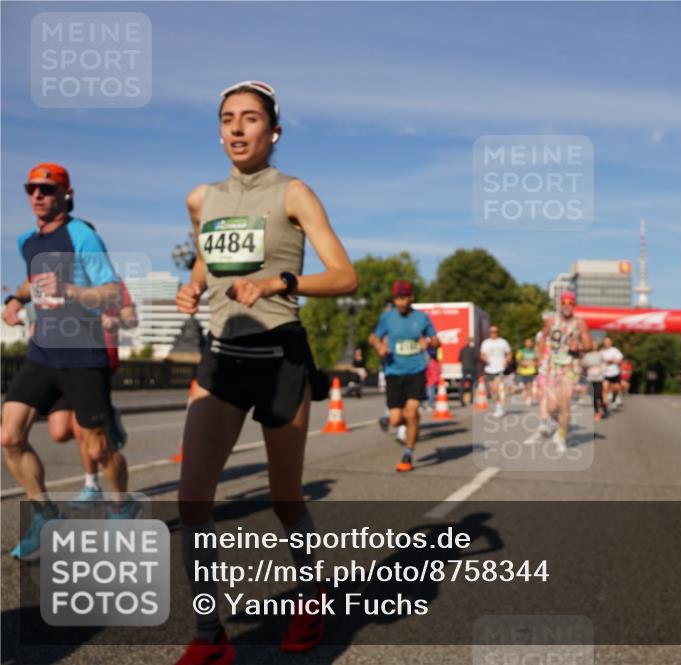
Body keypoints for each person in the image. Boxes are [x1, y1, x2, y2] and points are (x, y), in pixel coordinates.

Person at [173, 81, 357, 664]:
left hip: (280, 358)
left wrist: (281, 282)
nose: (237, 127)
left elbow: (345, 276)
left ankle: (311, 593)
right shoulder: (201, 198)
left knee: (284, 498)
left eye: (250, 118)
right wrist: (193, 286)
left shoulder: (294, 193)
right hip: (222, 358)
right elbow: (204, 256)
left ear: (274, 131)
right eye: (227, 117)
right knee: (192, 500)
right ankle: (210, 636)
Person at [2, 163, 137, 562]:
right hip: (42, 352)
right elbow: (32, 280)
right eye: (31, 189)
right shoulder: (27, 241)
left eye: (47, 189)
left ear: (67, 194)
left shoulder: (82, 236)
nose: (37, 195)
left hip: (83, 353)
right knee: (9, 437)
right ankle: (45, 515)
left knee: (97, 449)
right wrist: (16, 300)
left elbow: (111, 292)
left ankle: (121, 505)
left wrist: (71, 290)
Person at [47, 279, 137, 507]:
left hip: (95, 363)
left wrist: (116, 321)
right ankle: (105, 422)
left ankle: (94, 486)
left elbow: (131, 319)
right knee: (59, 431)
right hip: (61, 362)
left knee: (84, 431)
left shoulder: (113, 285)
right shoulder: (64, 280)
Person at [370, 280, 439, 471]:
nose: (400, 302)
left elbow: (436, 340)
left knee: (411, 411)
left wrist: (430, 342)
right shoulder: (387, 317)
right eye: (396, 298)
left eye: (403, 298)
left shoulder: (422, 318)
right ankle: (412, 424)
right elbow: (373, 337)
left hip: (416, 371)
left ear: (411, 297)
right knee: (395, 420)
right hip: (394, 371)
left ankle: (408, 453)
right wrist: (380, 346)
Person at [535, 291, 593, 450]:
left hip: (570, 367)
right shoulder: (550, 320)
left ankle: (562, 436)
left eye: (570, 303)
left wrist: (579, 347)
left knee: (564, 402)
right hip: (552, 367)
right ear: (560, 304)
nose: (567, 306)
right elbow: (542, 338)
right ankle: (561, 425)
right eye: (564, 303)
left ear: (574, 305)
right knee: (551, 407)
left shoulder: (580, 323)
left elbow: (589, 346)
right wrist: (540, 356)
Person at [480, 325, 512, 418]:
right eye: (491, 332)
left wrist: (506, 361)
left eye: (495, 332)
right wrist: (484, 359)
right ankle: (498, 407)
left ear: (498, 332)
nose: (493, 333)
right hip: (489, 369)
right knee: (493, 391)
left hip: (499, 369)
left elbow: (509, 353)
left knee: (495, 388)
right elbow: (482, 354)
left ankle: (499, 408)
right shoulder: (486, 343)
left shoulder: (503, 342)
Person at [600, 336, 625, 410]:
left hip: (615, 373)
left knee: (616, 388)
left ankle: (614, 398)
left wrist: (610, 361)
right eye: (605, 342)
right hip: (605, 373)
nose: (606, 343)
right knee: (605, 389)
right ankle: (604, 406)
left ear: (611, 343)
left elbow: (619, 360)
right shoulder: (601, 352)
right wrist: (612, 360)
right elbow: (600, 361)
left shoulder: (615, 350)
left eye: (608, 342)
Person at [583, 348, 606, 420]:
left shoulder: (600, 354)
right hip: (590, 378)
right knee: (594, 396)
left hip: (599, 377)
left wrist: (601, 370)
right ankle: (596, 412)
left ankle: (603, 405)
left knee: (599, 394)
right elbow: (584, 364)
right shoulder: (587, 355)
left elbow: (604, 364)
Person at [515, 337, 539, 406]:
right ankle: (525, 394)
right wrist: (522, 364)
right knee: (524, 386)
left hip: (531, 371)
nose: (529, 344)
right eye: (527, 342)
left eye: (530, 342)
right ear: (525, 343)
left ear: (532, 343)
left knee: (529, 385)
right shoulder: (521, 351)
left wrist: (536, 364)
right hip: (522, 371)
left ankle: (528, 398)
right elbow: (518, 360)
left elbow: (537, 360)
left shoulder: (534, 351)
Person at [459, 339, 479, 407]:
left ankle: (461, 400)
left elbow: (459, 358)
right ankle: (471, 399)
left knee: (462, 385)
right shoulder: (473, 350)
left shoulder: (462, 349)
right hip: (472, 369)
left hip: (464, 368)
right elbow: (476, 359)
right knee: (473, 384)